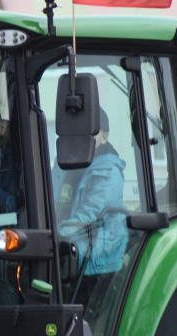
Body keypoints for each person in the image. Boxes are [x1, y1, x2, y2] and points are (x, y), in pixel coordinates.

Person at [52, 107, 128, 296]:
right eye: (77, 132)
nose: (82, 138)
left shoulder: (108, 171)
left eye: (90, 133)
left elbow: (89, 216)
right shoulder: (64, 165)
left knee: (49, 260)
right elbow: (50, 202)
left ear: (104, 137)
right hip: (71, 236)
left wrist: (53, 235)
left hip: (98, 241)